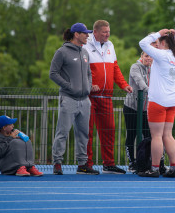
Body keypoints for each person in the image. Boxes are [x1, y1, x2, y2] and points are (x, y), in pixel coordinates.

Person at [83, 20, 133, 174]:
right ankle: (86, 164)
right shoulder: (85, 45)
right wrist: (89, 85)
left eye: (108, 31)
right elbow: (80, 70)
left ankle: (108, 164)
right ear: (95, 32)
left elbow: (115, 67)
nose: (107, 34)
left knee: (109, 130)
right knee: (87, 131)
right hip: (89, 97)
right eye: (104, 32)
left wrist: (123, 84)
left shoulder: (110, 45)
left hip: (106, 96)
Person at [50, 23, 99, 175]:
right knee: (62, 132)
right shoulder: (61, 52)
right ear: (76, 34)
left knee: (84, 134)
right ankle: (57, 163)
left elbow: (89, 73)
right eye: (85, 33)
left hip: (85, 100)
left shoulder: (84, 52)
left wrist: (88, 86)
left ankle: (82, 164)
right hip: (68, 99)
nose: (88, 36)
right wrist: (69, 86)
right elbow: (53, 73)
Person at [138, 29, 175, 177]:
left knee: (157, 136)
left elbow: (142, 43)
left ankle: (154, 168)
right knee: (168, 135)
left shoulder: (161, 55)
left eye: (158, 43)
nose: (156, 45)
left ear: (163, 42)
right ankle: (173, 168)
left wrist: (157, 33)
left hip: (158, 100)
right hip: (172, 100)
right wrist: (174, 36)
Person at [123, 51, 152, 173]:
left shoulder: (154, 68)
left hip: (146, 108)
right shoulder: (135, 67)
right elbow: (140, 82)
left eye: (151, 57)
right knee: (132, 134)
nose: (148, 59)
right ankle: (132, 162)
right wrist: (151, 91)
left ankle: (146, 161)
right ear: (141, 56)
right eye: (146, 56)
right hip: (132, 106)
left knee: (149, 135)